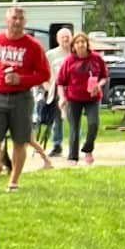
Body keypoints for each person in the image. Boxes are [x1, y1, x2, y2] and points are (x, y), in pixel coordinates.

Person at [0, 5, 52, 192]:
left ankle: (14, 181)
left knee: (20, 140)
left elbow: (44, 74)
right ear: (6, 20)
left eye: (20, 18)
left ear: (25, 22)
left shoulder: (33, 46)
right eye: (13, 18)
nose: (17, 22)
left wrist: (22, 79)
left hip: (22, 98)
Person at [57, 30, 109, 165]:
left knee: (93, 124)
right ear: (73, 46)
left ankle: (88, 149)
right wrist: (62, 98)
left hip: (93, 97)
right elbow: (60, 82)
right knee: (74, 127)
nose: (80, 45)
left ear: (87, 44)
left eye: (83, 42)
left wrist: (99, 84)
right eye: (77, 42)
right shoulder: (69, 61)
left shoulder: (96, 58)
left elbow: (104, 76)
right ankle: (73, 157)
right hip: (74, 98)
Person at [42, 26, 74, 158]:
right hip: (55, 91)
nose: (65, 39)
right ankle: (57, 145)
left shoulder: (75, 53)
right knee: (56, 120)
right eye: (62, 37)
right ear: (57, 39)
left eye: (68, 36)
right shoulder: (51, 54)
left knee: (73, 119)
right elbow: (44, 72)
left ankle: (76, 145)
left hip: (73, 91)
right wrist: (47, 86)